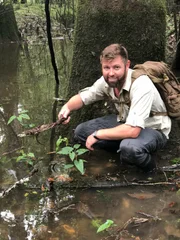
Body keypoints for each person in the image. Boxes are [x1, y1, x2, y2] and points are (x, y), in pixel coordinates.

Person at [58, 43, 171, 172]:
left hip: (153, 129)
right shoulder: (106, 81)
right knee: (81, 132)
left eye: (116, 67)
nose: (111, 73)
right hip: (125, 121)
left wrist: (98, 134)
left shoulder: (141, 84)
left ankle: (152, 171)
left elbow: (133, 131)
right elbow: (84, 97)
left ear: (127, 65)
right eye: (106, 67)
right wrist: (66, 108)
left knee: (130, 148)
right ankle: (119, 158)